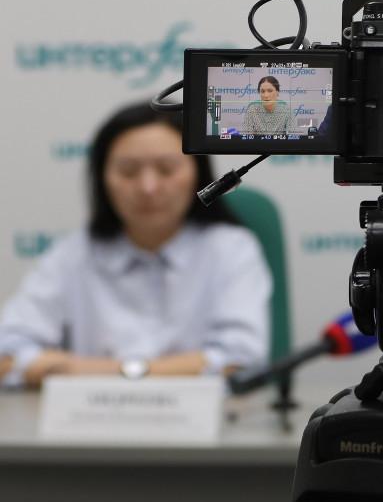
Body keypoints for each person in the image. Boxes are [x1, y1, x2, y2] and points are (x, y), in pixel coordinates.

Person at [0, 103, 270, 389]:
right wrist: (157, 371)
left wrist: (75, 370)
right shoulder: (72, 255)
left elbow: (242, 359)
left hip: (206, 417)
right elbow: (8, 355)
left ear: (199, 174)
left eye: (166, 169)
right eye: (128, 172)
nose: (148, 187)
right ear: (102, 178)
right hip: (92, 416)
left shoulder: (231, 250)